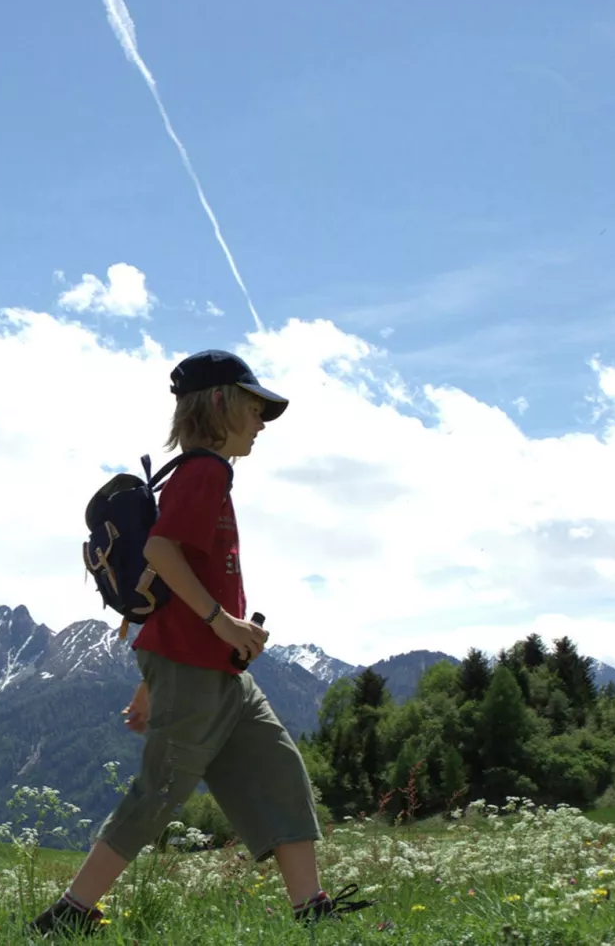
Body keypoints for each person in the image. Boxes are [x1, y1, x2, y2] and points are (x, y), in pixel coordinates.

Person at [28, 350, 372, 936]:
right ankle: (68, 914)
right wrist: (224, 623)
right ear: (220, 402)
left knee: (281, 769)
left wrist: (151, 678)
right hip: (197, 662)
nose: (261, 422)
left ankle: (311, 910)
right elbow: (161, 552)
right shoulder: (205, 472)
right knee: (159, 792)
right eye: (255, 407)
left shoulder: (197, 472)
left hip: (216, 667)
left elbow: (162, 582)